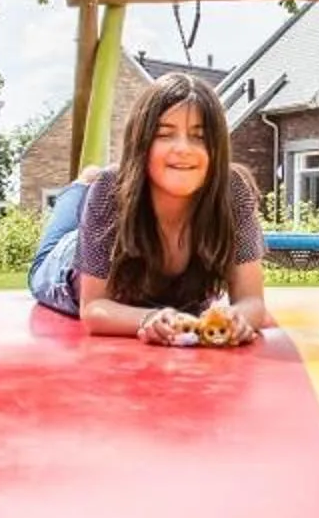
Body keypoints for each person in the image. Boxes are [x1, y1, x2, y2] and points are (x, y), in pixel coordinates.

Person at [28, 72, 271, 344]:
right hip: (65, 264)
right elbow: (94, 309)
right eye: (165, 134)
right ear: (142, 143)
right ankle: (81, 186)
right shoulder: (110, 191)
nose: (183, 148)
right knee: (56, 239)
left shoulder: (232, 192)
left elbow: (253, 302)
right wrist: (146, 319)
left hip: (154, 290)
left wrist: (238, 317)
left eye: (199, 136)